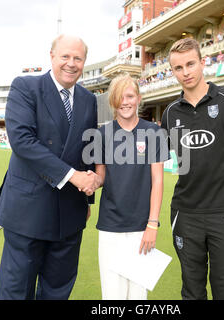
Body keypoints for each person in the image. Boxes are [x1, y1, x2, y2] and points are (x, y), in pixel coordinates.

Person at [0, 34, 99, 300]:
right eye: (65, 56)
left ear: (84, 61)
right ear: (51, 56)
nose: (71, 63)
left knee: (58, 290)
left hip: (70, 213)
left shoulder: (89, 99)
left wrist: (87, 200)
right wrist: (73, 177)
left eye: (78, 58)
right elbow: (23, 142)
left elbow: (89, 151)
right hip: (28, 210)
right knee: (16, 291)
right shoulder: (25, 87)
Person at [161, 38, 224, 300]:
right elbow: (151, 161)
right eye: (178, 68)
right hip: (185, 214)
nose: (186, 72)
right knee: (191, 293)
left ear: (203, 63)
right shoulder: (170, 112)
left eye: (190, 64)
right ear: (172, 72)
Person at [89, 73, 169, 300]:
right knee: (112, 296)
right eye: (119, 97)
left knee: (137, 295)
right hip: (110, 226)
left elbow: (158, 180)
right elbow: (101, 177)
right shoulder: (102, 134)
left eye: (130, 96)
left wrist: (152, 224)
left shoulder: (153, 132)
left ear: (138, 98)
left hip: (141, 228)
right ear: (113, 101)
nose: (125, 102)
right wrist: (88, 181)